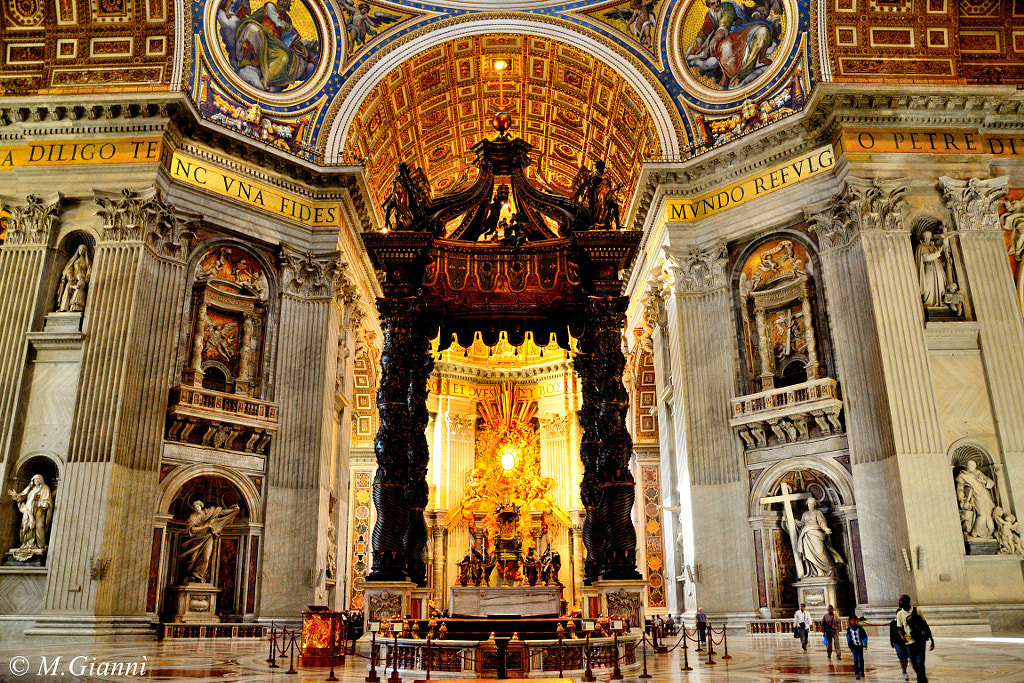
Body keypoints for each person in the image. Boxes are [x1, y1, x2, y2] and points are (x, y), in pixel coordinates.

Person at [178, 500, 240, 583]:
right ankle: (189, 577)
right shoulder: (193, 517)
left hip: (208, 538)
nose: (196, 508)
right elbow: (192, 530)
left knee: (206, 558)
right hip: (197, 539)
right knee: (192, 559)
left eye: (198, 506)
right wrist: (206, 526)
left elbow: (221, 512)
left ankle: (199, 576)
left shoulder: (209, 512)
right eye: (194, 506)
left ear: (201, 505)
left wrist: (233, 510)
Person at [7, 474, 53, 561]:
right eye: (35, 480)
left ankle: (40, 545)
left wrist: (45, 503)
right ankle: (27, 544)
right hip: (28, 511)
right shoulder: (30, 489)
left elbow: (48, 499)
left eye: (38, 480)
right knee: (26, 526)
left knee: (39, 526)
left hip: (39, 511)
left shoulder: (45, 488)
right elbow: (22, 496)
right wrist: (16, 495)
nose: (36, 482)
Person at [896, 594, 934, 683]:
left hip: (920, 641)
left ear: (907, 602)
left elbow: (925, 625)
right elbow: (900, 628)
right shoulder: (899, 614)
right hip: (909, 642)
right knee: (914, 664)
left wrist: (932, 640)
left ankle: (920, 681)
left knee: (920, 663)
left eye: (901, 600)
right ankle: (923, 679)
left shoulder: (918, 611)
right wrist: (902, 636)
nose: (899, 602)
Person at [846, 615, 868, 680]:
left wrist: (865, 643)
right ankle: (857, 672)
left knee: (861, 659)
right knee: (855, 659)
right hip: (853, 646)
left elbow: (864, 636)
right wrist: (850, 646)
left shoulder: (860, 628)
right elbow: (848, 638)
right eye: (852, 620)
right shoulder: (849, 629)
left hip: (860, 645)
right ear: (850, 621)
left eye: (854, 620)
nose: (853, 622)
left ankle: (862, 671)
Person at [890, 616, 910, 681]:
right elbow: (891, 633)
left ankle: (905, 670)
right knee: (901, 657)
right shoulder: (893, 623)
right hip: (897, 642)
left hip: (905, 641)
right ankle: (904, 671)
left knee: (906, 657)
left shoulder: (905, 622)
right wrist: (891, 642)